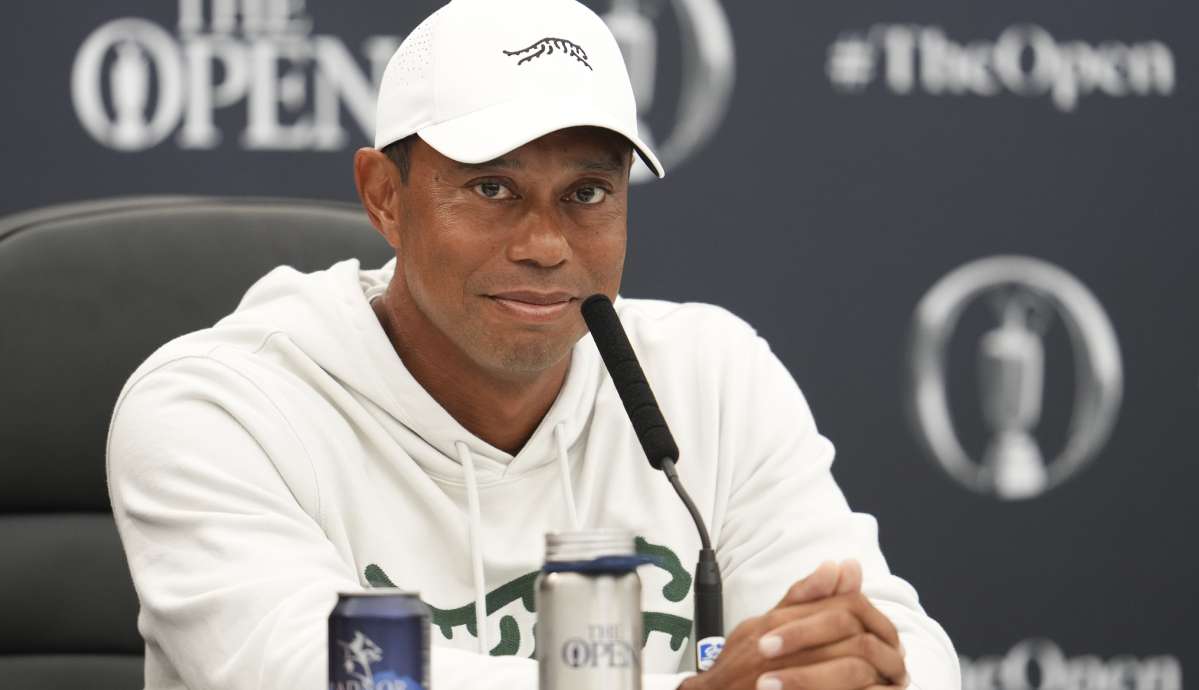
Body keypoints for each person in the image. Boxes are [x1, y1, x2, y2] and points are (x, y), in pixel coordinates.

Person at [106, 0, 961, 689]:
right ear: (385, 197)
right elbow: (311, 672)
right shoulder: (220, 406)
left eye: (587, 192)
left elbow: (904, 646)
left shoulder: (711, 377)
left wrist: (853, 667)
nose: (547, 245)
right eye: (492, 188)